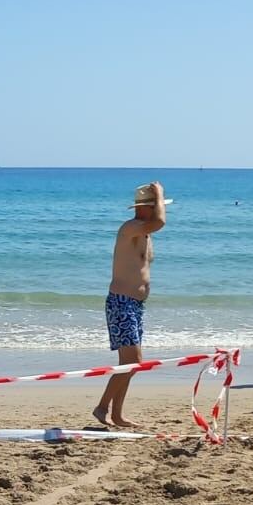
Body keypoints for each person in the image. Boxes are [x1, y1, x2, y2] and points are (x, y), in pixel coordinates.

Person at [93, 182, 167, 428]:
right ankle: (103, 407)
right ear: (146, 207)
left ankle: (116, 414)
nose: (159, 210)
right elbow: (160, 222)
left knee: (133, 363)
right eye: (156, 206)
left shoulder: (145, 233)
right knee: (132, 360)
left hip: (135, 305)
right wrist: (160, 195)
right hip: (121, 302)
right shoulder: (130, 228)